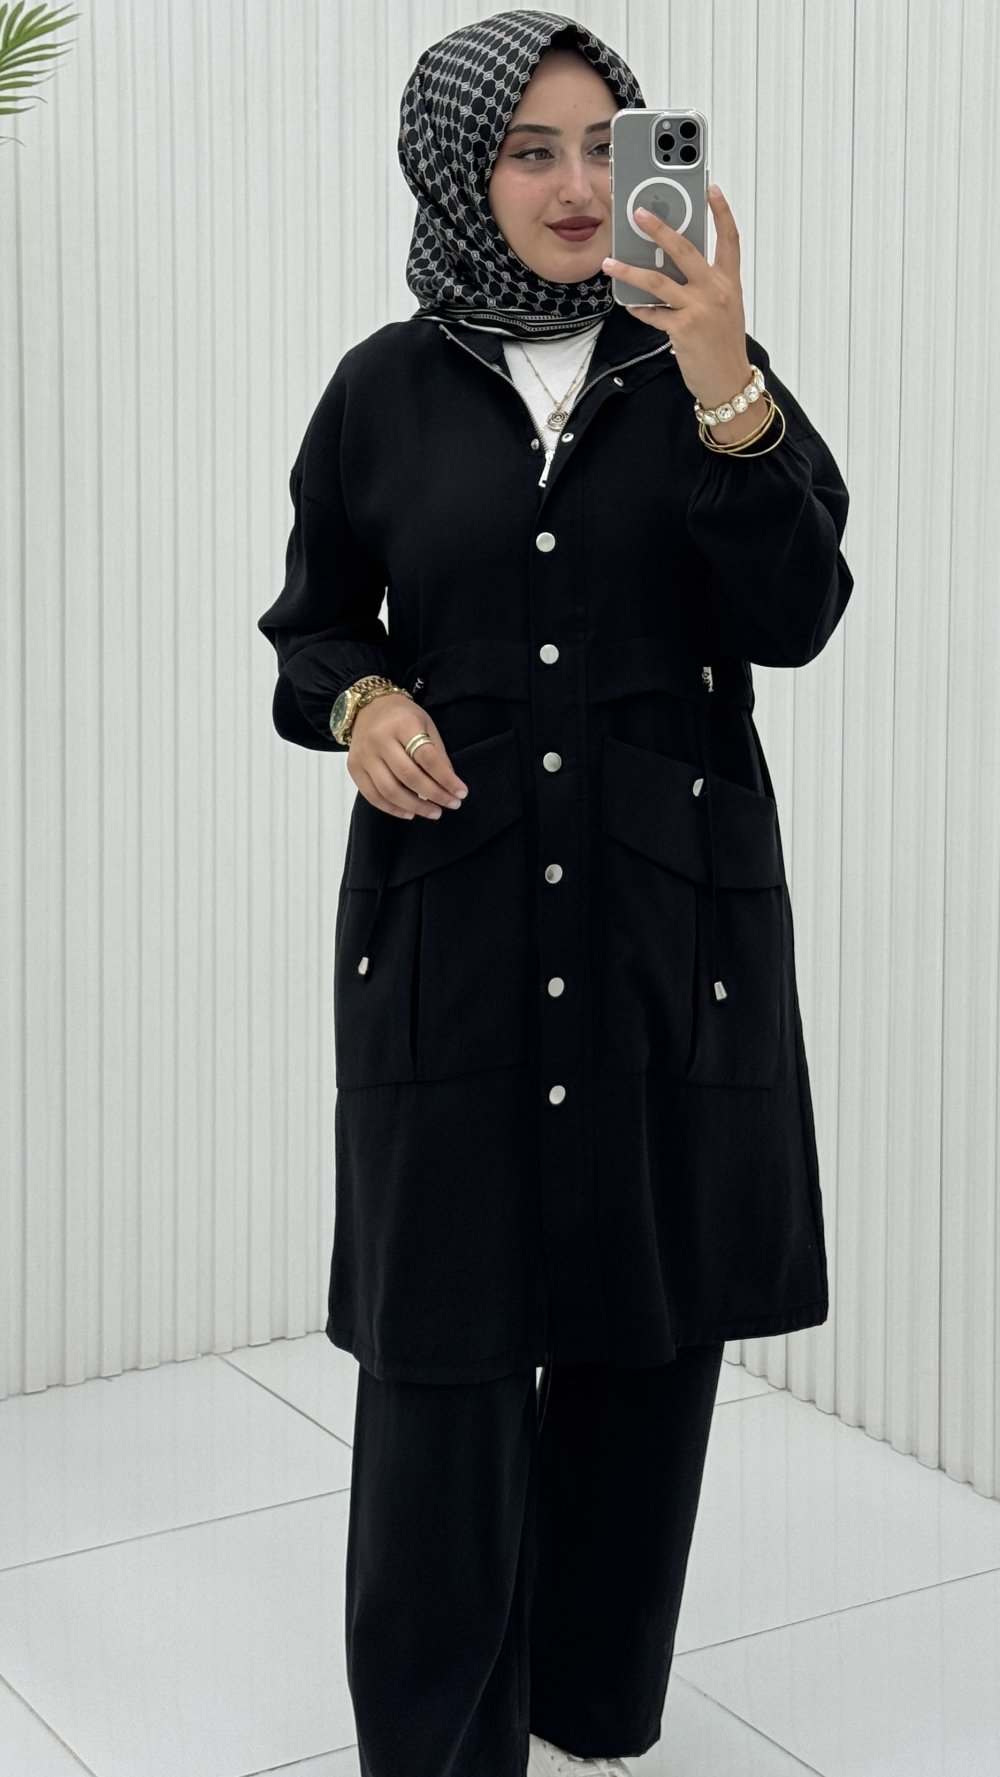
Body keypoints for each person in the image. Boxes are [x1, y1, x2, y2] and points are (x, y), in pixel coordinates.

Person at [257, 11, 854, 1775]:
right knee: (443, 1352)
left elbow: (798, 614)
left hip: (670, 928)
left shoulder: (706, 363)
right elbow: (312, 626)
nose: (580, 185)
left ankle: (592, 1704)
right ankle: (440, 1744)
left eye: (607, 144)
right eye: (531, 149)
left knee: (642, 1331)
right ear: (461, 167)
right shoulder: (379, 391)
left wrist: (728, 381)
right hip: (453, 920)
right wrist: (362, 704)